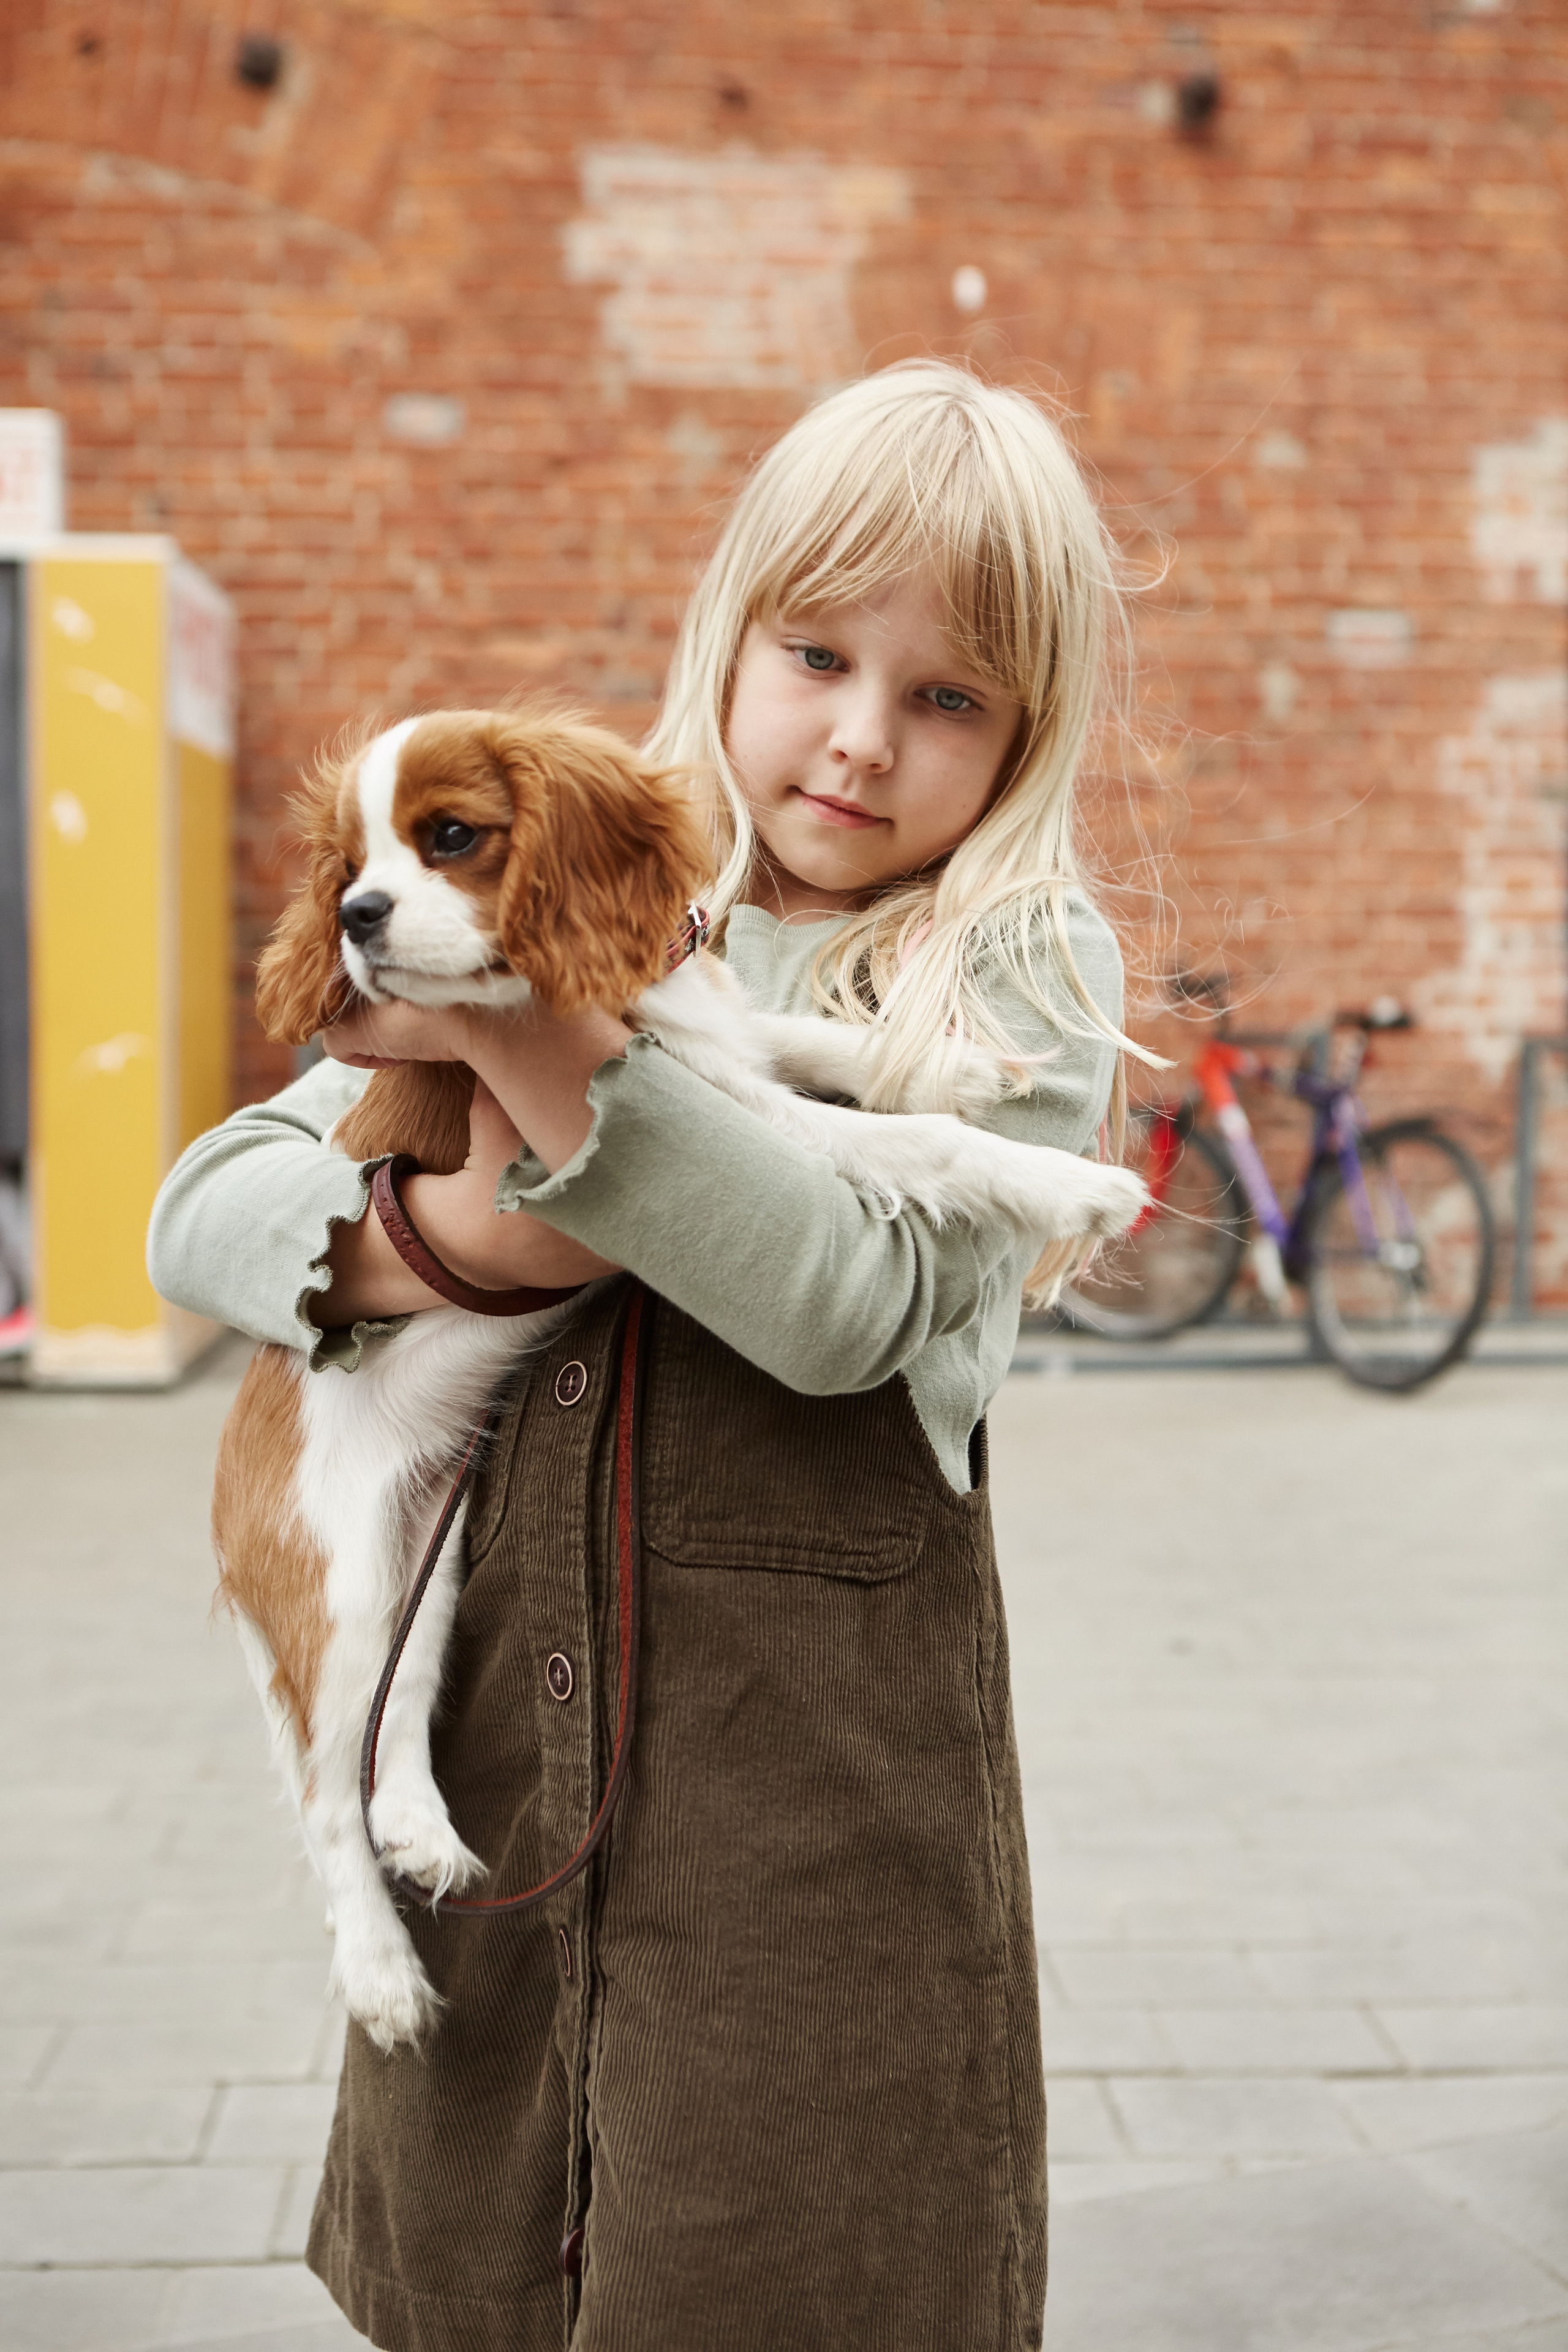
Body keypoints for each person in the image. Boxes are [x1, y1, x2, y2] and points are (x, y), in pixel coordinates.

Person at [149, 361, 1137, 2352]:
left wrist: (530, 1037)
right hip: (504, 1727)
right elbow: (210, 1204)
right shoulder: (575, 865)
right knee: (495, 2257)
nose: (862, 741)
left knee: (784, 2253)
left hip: (814, 1785)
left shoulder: (1011, 961)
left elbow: (845, 1307)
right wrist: (428, 1247)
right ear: (731, 635)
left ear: (1025, 736)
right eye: (818, 654)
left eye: (947, 697)